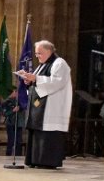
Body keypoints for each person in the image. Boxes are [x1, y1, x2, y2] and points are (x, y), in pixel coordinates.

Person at [17, 39, 73, 169]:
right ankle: (35, 160)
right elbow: (38, 82)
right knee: (37, 133)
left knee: (48, 135)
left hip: (52, 109)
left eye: (39, 53)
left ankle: (47, 162)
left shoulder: (59, 63)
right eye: (36, 53)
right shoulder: (42, 65)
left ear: (49, 51)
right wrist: (29, 80)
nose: (37, 56)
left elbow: (57, 82)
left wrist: (35, 78)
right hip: (39, 108)